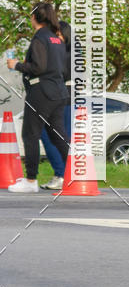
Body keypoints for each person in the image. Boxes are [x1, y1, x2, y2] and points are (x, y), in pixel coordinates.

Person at [7, 3, 69, 194]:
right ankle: (75, 173)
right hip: (58, 93)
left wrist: (17, 65)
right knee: (57, 136)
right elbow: (56, 67)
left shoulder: (39, 39)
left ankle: (31, 180)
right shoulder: (57, 39)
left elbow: (38, 68)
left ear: (34, 17)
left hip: (41, 92)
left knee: (30, 135)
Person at [39, 19, 72, 190]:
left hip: (64, 99)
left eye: (57, 34)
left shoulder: (68, 53)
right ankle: (62, 174)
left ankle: (62, 174)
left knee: (50, 135)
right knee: (54, 136)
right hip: (59, 98)